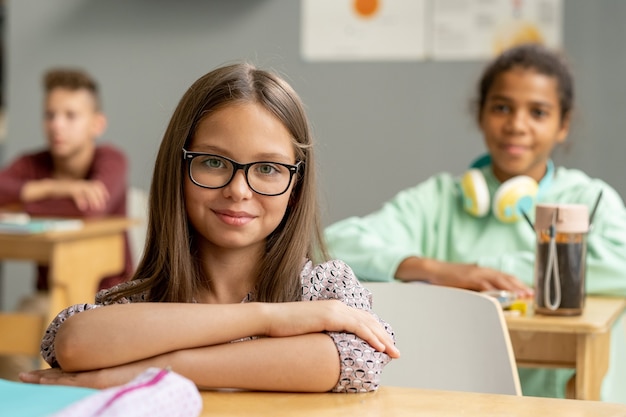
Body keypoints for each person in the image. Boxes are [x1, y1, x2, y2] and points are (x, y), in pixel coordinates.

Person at [19, 63, 399, 393]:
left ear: (295, 186)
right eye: (214, 162)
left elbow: (356, 361)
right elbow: (72, 343)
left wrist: (154, 370)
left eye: (267, 169)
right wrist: (272, 318)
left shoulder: (323, 289)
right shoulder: (145, 302)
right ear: (179, 170)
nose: (238, 190)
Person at [324, 43, 626, 401]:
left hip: (563, 399)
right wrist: (433, 269)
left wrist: (486, 269)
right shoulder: (439, 200)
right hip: (456, 399)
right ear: (480, 114)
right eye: (502, 107)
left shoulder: (590, 200)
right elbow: (332, 243)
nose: (516, 125)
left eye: (538, 112)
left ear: (563, 126)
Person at [0, 68, 132, 382]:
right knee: (24, 324)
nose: (57, 125)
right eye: (50, 115)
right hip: (51, 294)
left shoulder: (111, 160)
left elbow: (91, 207)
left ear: (96, 124)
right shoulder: (33, 163)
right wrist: (54, 188)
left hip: (112, 298)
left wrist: (23, 199)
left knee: (37, 320)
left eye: (70, 115)